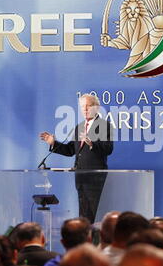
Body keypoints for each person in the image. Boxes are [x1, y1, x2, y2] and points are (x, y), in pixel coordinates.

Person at [40, 94, 113, 224]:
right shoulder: (79, 127)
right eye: (82, 107)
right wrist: (53, 143)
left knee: (93, 215)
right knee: (83, 215)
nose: (84, 109)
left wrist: (92, 144)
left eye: (88, 106)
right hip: (80, 177)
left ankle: (92, 240)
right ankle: (83, 238)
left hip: (95, 178)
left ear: (96, 107)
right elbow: (70, 151)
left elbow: (108, 149)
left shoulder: (104, 125)